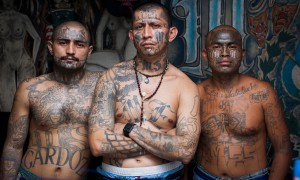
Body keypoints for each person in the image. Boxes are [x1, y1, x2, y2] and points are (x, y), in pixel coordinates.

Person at [88, 2, 201, 179]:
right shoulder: (111, 78)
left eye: (155, 25)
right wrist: (166, 141)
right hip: (114, 175)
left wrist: (128, 128)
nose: (147, 34)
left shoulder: (185, 86)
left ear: (171, 34)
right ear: (132, 35)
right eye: (140, 27)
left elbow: (185, 151)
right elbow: (97, 145)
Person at [0, 20, 100, 179]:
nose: (70, 51)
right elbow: (14, 145)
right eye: (63, 43)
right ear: (50, 47)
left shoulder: (102, 86)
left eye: (79, 44)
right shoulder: (30, 88)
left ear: (89, 51)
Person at [194, 25, 291, 179]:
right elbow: (185, 148)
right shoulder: (195, 93)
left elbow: (283, 149)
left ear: (242, 54)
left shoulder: (262, 93)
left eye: (232, 47)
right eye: (217, 47)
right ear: (205, 55)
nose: (225, 53)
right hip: (204, 176)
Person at [0, 0, 41, 112]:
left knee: (26, 100)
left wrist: (33, 58)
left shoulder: (22, 18)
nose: (8, 3)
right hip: (6, 59)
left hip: (23, 58)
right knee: (6, 104)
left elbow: (37, 38)